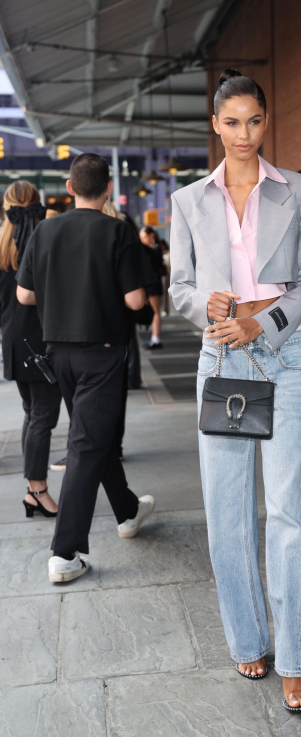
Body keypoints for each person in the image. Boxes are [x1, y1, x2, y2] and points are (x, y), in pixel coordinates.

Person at [169, 68, 301, 713]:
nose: (243, 133)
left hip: (284, 360)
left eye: (254, 120)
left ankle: (294, 658)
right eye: (231, 122)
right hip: (220, 364)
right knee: (227, 513)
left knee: (290, 510)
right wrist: (207, 306)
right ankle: (248, 637)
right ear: (215, 124)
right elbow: (177, 288)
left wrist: (263, 319)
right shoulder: (187, 202)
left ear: (267, 121)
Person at [16, 153, 157, 583]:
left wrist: (62, 297)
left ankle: (128, 511)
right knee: (85, 445)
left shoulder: (45, 231)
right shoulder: (119, 231)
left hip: (58, 352)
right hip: (103, 350)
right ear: (109, 189)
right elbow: (136, 302)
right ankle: (64, 554)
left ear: (70, 187)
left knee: (89, 437)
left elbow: (24, 296)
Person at [0, 181, 62, 517]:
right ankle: (37, 489)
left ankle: (31, 489)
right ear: (37, 204)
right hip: (42, 340)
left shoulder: (0, 244)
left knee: (31, 413)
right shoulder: (44, 239)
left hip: (12, 340)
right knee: (43, 416)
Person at [139, 225, 165, 350]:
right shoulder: (150, 248)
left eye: (144, 237)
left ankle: (156, 339)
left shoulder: (155, 248)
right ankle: (154, 338)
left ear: (151, 235)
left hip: (154, 284)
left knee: (155, 312)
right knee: (154, 312)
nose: (143, 240)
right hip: (151, 284)